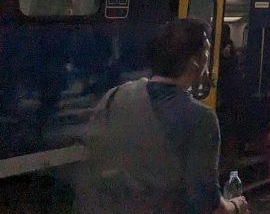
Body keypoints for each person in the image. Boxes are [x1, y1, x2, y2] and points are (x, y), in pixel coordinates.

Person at [75, 19, 249, 214]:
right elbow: (206, 203)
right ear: (195, 62)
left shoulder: (114, 96)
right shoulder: (201, 119)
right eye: (207, 52)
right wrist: (236, 206)